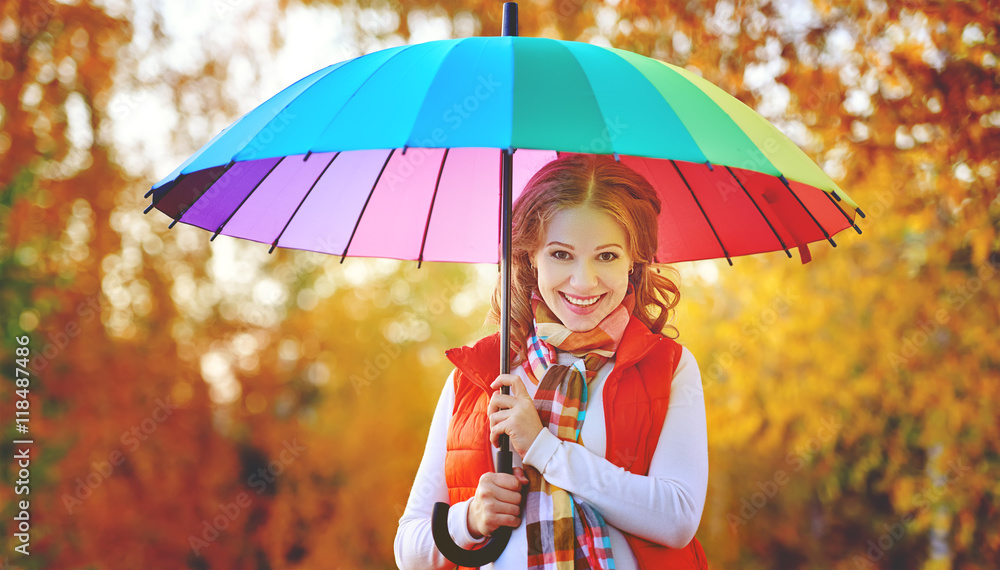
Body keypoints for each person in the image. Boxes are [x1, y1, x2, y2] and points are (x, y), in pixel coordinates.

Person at [394, 153, 708, 569]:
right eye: (561, 255)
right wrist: (469, 518)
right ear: (530, 255)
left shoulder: (668, 367)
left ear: (635, 259)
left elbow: (677, 518)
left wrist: (544, 448)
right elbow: (408, 551)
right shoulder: (478, 375)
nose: (583, 281)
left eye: (607, 256)